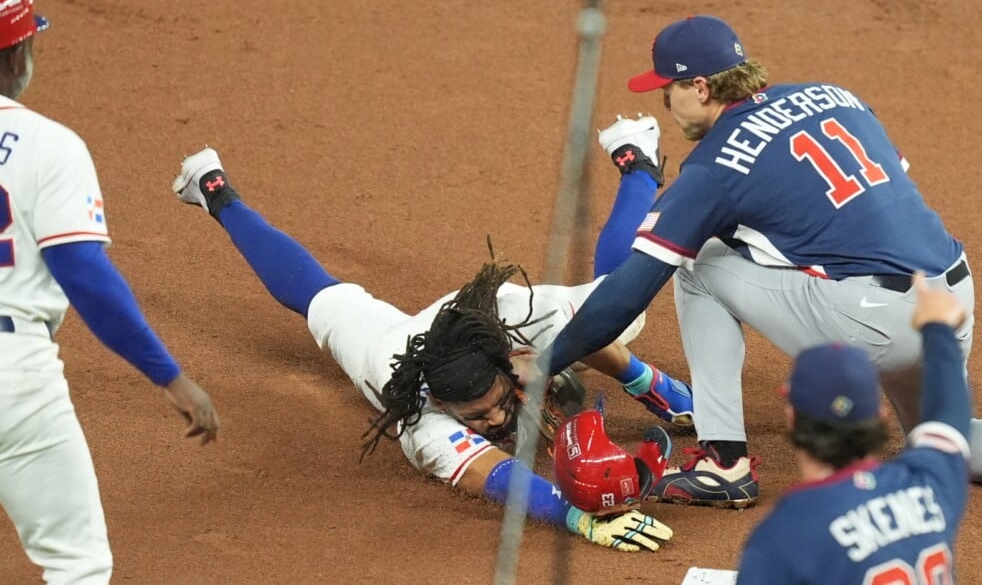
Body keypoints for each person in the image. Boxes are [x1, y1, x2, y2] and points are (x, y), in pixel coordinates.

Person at [527, 14, 982, 508]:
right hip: (949, 298)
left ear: (702, 87)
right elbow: (874, 196)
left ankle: (724, 463)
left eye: (668, 88)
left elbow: (624, 295)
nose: (665, 101)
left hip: (873, 320)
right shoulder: (834, 95)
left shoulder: (714, 165)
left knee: (697, 267)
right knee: (944, 438)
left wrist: (545, 362)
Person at [171, 146, 678, 552]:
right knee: (319, 297)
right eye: (476, 417)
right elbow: (495, 476)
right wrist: (572, 515)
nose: (496, 420)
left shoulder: (508, 312)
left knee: (621, 294)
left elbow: (592, 327)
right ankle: (214, 190)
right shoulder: (414, 412)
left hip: (473, 322)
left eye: (500, 401)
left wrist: (651, 386)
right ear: (444, 407)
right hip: (393, 347)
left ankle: (636, 159)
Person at [0, 0, 219, 583]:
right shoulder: (48, 146)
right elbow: (84, 276)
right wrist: (172, 379)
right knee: (78, 566)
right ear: (18, 51)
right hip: (12, 375)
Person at [737, 273, 970, 584]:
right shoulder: (926, 484)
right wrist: (939, 328)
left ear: (792, 417)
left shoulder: (784, 536)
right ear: (882, 416)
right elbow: (950, 412)